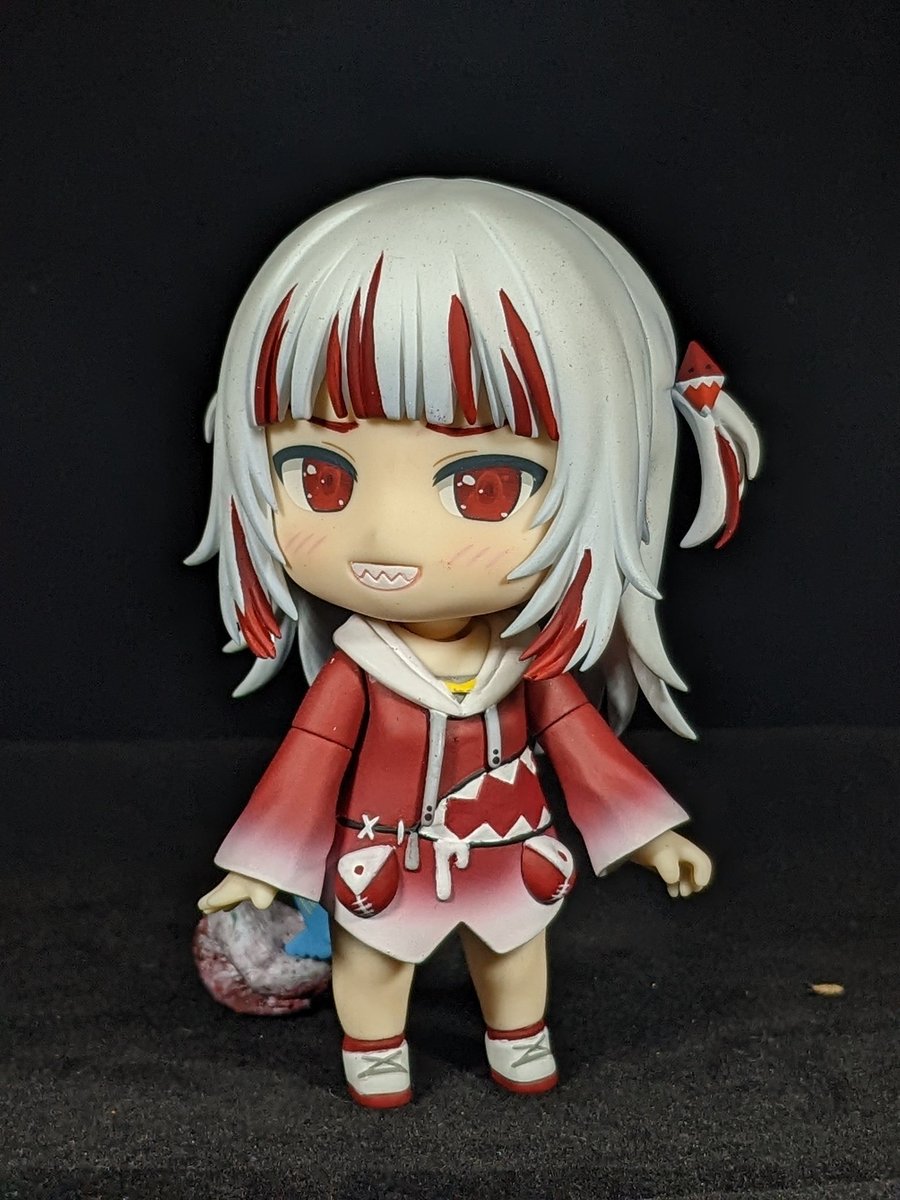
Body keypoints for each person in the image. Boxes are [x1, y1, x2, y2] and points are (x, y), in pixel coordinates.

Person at [190, 178, 760, 1108]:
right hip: (383, 854)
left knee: (514, 953)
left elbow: (582, 748)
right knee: (374, 961)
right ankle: (376, 1047)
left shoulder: (525, 664)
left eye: (481, 485)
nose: (384, 536)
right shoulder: (360, 671)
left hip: (511, 849)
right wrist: (256, 863)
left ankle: (518, 1037)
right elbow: (309, 762)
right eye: (321, 476)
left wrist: (652, 836)